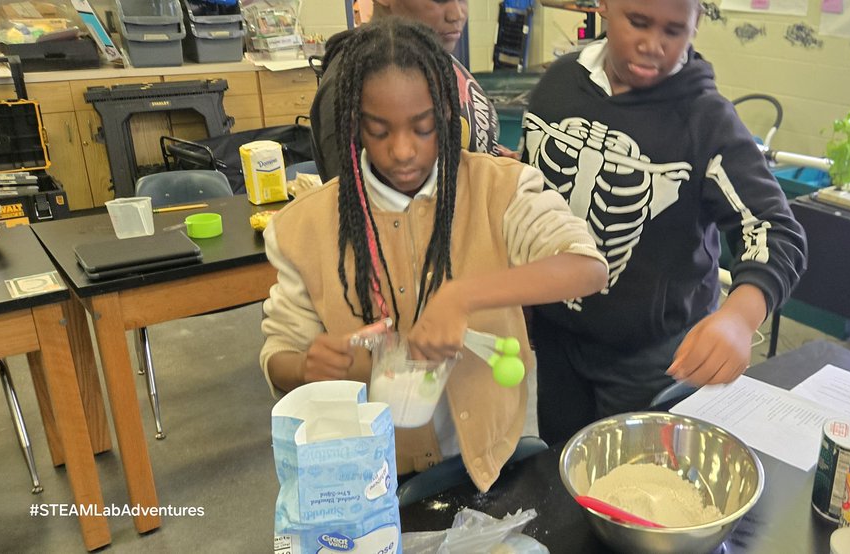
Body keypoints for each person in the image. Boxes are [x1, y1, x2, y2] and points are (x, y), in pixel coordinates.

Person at [261, 18, 608, 491]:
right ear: (353, 124)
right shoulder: (303, 228)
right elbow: (279, 352)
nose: (402, 151)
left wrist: (461, 296)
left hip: (486, 464)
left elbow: (585, 267)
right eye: (379, 130)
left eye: (422, 128)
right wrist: (305, 368)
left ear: (446, 112)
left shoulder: (498, 190)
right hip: (372, 476)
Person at [521, 0, 808, 444]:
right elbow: (529, 192)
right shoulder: (557, 85)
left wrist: (739, 316)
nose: (652, 44)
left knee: (638, 487)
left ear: (696, 26)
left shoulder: (705, 120)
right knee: (561, 467)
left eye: (674, 31)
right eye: (637, 22)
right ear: (604, 6)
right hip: (558, 343)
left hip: (652, 361)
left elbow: (773, 226)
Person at [312, 0, 511, 181]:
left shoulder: (429, 54)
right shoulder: (353, 83)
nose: (456, 14)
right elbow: (369, 212)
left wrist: (493, 165)